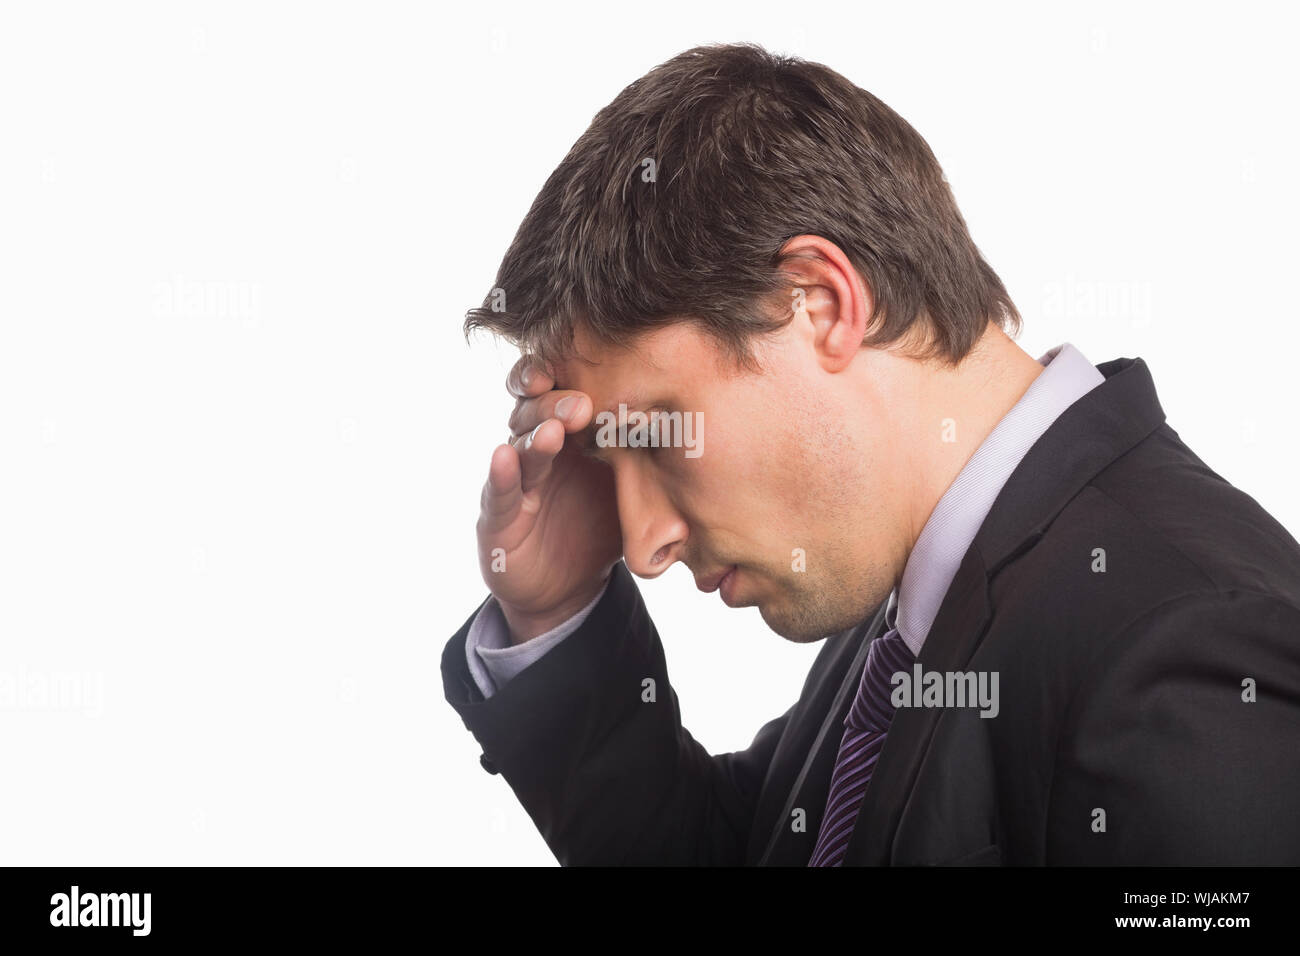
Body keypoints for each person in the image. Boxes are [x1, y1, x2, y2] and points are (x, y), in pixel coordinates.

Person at [441, 42, 1300, 865]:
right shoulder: (923, 595)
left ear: (818, 304)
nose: (643, 548)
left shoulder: (1179, 656)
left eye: (661, 435)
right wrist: (557, 614)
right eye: (613, 456)